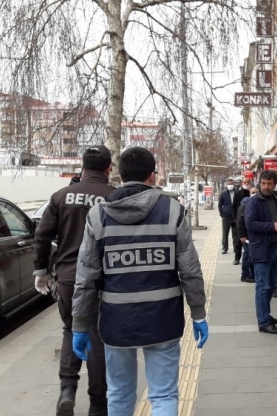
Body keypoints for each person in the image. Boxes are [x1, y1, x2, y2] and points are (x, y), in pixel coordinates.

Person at [70, 147, 208, 416]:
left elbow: (85, 274)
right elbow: (190, 268)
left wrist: (79, 324)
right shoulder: (173, 211)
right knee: (164, 394)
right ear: (152, 175)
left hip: (116, 321)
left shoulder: (98, 216)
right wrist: (199, 313)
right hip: (163, 318)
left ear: (119, 175)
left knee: (120, 393)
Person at [32, 145, 115, 416]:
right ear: (108, 168)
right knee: (97, 336)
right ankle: (97, 403)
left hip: (68, 277)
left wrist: (41, 271)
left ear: (82, 166)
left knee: (71, 329)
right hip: (105, 279)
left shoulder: (60, 196)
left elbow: (42, 236)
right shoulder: (114, 197)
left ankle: (67, 390)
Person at [246, 170, 277, 334]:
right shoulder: (254, 202)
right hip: (261, 250)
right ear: (259, 183)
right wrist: (273, 226)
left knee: (270, 286)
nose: (266, 186)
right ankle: (263, 322)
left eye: (269, 183)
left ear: (275, 184)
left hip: (276, 249)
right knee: (262, 287)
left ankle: (266, 315)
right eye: (263, 183)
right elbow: (250, 224)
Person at [237, 187, 259, 283]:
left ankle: (253, 275)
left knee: (253, 255)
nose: (254, 194)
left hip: (256, 235)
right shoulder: (245, 205)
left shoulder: (260, 203)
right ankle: (245, 275)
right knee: (247, 255)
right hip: (246, 235)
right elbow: (240, 222)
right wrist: (242, 235)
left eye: (256, 192)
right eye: (252, 192)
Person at [231, 177, 253, 263]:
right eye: (245, 182)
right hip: (239, 220)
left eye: (248, 182)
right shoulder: (238, 193)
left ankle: (249, 259)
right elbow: (233, 206)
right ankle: (237, 257)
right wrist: (234, 218)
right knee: (238, 240)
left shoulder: (252, 193)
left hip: (249, 220)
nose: (246, 184)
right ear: (241, 183)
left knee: (248, 240)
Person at [219, 178, 240, 264]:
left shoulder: (237, 193)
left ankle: (236, 249)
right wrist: (222, 214)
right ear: (227, 184)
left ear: (234, 184)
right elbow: (220, 205)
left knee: (235, 235)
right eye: (229, 183)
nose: (230, 185)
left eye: (232, 183)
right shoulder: (223, 194)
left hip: (235, 217)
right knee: (225, 233)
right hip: (226, 216)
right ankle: (224, 247)